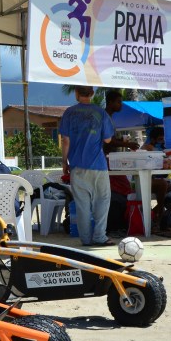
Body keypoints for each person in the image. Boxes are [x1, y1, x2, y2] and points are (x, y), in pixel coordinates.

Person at [60, 85, 115, 247]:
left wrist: (64, 162)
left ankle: (85, 239)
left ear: (76, 93)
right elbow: (108, 140)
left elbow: (65, 140)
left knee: (82, 204)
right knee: (102, 200)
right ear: (92, 94)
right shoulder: (100, 113)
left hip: (77, 166)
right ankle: (100, 236)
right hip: (98, 165)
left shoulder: (69, 113)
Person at [141, 126, 171, 229]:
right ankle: (160, 215)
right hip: (143, 180)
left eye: (164, 139)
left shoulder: (165, 149)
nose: (163, 141)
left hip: (156, 180)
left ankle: (155, 212)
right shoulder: (147, 148)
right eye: (160, 139)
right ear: (153, 139)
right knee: (163, 184)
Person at [102, 89, 139, 154]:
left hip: (109, 154)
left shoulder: (108, 117)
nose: (121, 105)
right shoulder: (105, 118)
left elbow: (110, 139)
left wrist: (120, 140)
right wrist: (129, 145)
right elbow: (110, 141)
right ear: (110, 102)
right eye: (118, 102)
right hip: (105, 155)